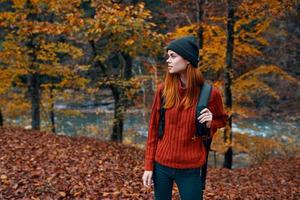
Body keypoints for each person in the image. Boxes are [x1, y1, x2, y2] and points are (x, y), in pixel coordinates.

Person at [142, 35, 228, 200]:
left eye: (173, 56)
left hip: (191, 168)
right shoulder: (163, 91)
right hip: (161, 166)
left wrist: (212, 122)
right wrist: (148, 166)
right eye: (168, 56)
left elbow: (222, 120)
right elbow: (153, 129)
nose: (168, 60)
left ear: (188, 60)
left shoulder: (210, 94)